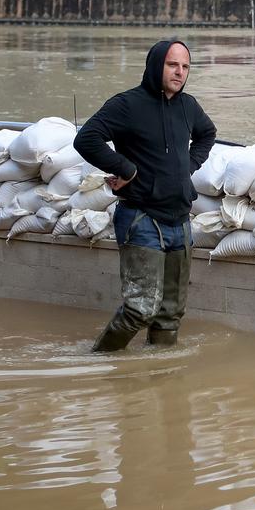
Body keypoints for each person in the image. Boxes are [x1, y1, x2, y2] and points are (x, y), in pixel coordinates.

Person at [76, 38, 216, 351]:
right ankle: (101, 364)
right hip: (141, 219)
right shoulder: (128, 105)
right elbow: (87, 139)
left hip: (180, 221)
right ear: (156, 66)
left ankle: (160, 379)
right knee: (140, 309)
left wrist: (187, 167)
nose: (180, 72)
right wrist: (127, 169)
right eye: (172, 65)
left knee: (170, 314)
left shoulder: (188, 106)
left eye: (185, 67)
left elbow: (208, 134)